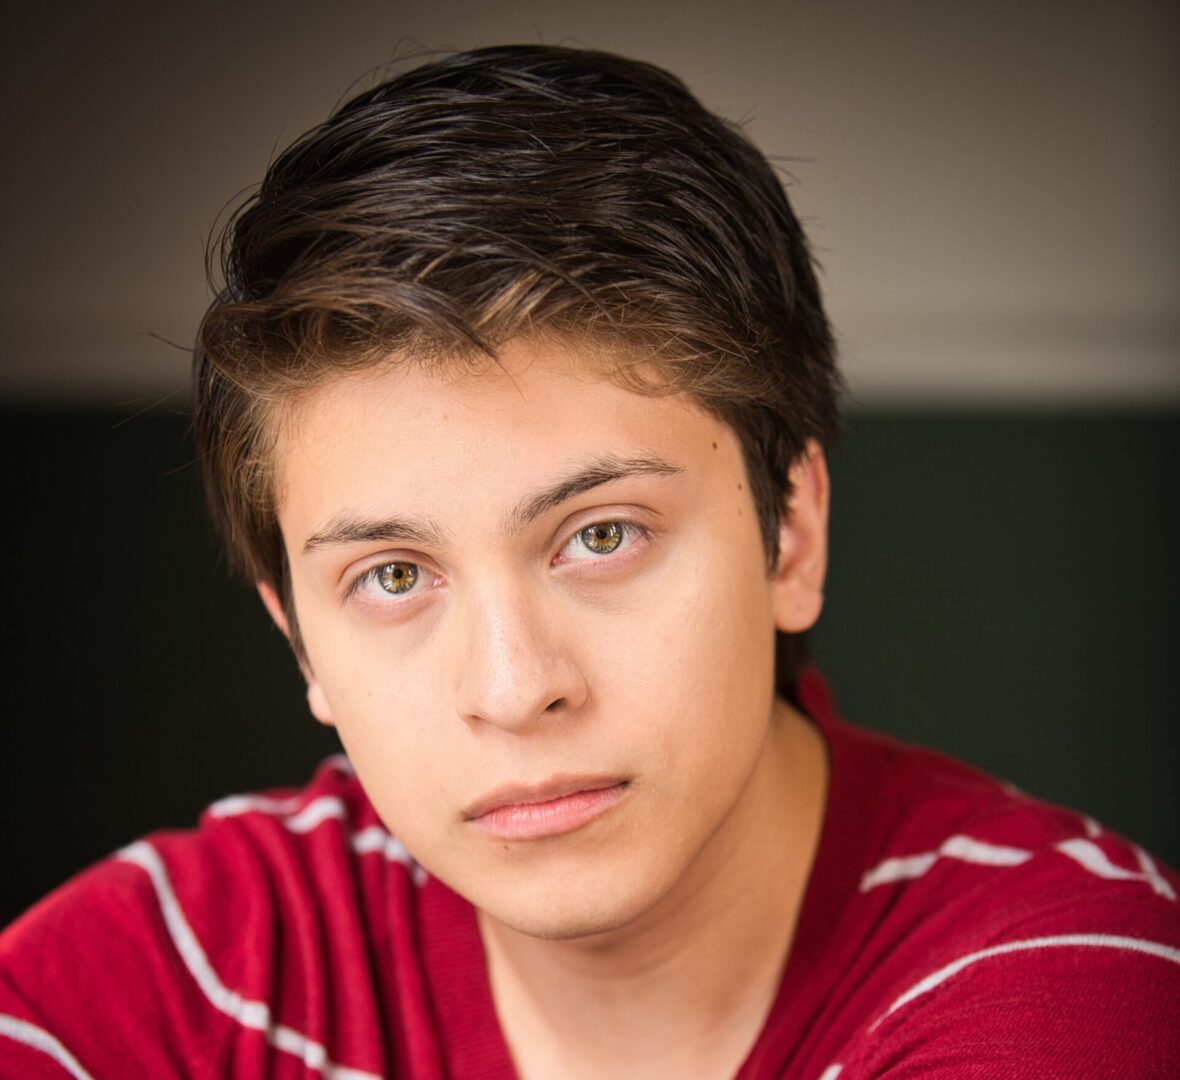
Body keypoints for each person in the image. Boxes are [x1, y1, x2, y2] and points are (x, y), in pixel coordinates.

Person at [1, 44, 1177, 1080]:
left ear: (790, 533)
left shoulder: (1063, 980)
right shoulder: (173, 979)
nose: (515, 687)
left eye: (599, 536)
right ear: (297, 634)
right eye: (394, 576)